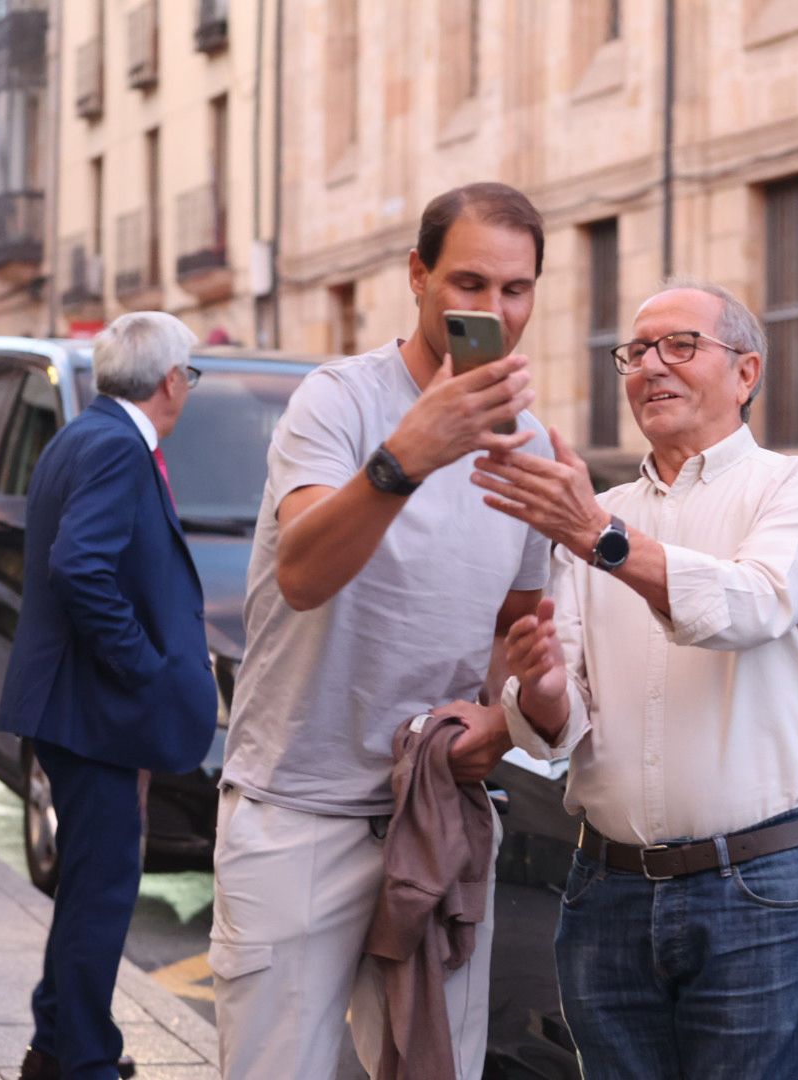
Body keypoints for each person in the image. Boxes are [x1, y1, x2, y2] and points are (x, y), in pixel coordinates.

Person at [471, 278, 798, 1079]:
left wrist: (602, 538)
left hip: (762, 891)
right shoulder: (598, 510)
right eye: (636, 351)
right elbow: (562, 725)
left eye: (681, 345)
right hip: (606, 889)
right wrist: (537, 691)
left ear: (747, 373)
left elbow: (753, 604)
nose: (651, 366)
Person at [211, 182, 547, 1079]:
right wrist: (411, 453)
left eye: (515, 290)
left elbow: (520, 634)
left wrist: (501, 720)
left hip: (435, 819)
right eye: (468, 283)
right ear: (417, 276)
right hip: (299, 815)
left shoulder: (532, 444)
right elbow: (305, 571)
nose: (493, 310)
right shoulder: (338, 403)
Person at [0, 311, 217, 1080]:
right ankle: (84, 1061)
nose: (188, 387)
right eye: (190, 373)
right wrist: (145, 669)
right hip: (93, 712)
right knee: (102, 893)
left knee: (89, 885)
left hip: (80, 710)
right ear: (170, 382)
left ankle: (57, 1045)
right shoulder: (119, 448)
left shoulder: (88, 434)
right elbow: (80, 567)